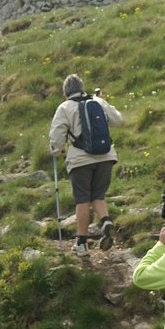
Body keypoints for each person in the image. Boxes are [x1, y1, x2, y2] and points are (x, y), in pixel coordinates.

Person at [49, 74, 123, 256]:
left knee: (82, 199)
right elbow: (119, 120)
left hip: (80, 160)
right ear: (82, 87)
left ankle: (81, 244)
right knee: (98, 195)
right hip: (106, 156)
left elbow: (56, 139)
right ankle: (105, 220)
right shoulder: (97, 101)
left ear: (65, 92)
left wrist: (55, 150)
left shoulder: (64, 107)